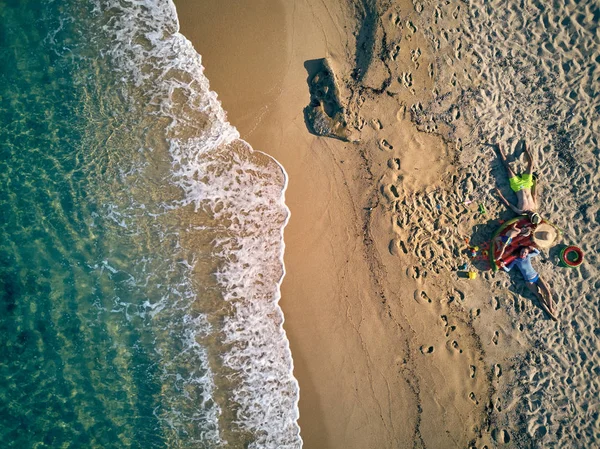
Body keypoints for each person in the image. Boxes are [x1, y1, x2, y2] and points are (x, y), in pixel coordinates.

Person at [499, 246, 558, 321]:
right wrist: (503, 266)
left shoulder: (528, 256)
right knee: (539, 296)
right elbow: (508, 269)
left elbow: (537, 252)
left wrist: (533, 248)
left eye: (525, 252)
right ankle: (550, 314)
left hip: (537, 277)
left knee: (547, 292)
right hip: (529, 281)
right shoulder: (516, 260)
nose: (523, 253)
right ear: (520, 252)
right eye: (522, 251)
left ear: (527, 253)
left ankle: (551, 309)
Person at [494, 141, 541, 224]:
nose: (531, 214)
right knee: (531, 164)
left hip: (517, 186)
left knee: (508, 168)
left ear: (529, 218)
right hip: (527, 184)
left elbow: (509, 204)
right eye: (533, 214)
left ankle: (500, 149)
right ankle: (526, 149)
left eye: (531, 216)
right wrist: (535, 182)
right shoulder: (535, 206)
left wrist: (499, 194)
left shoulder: (520, 211)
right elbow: (534, 194)